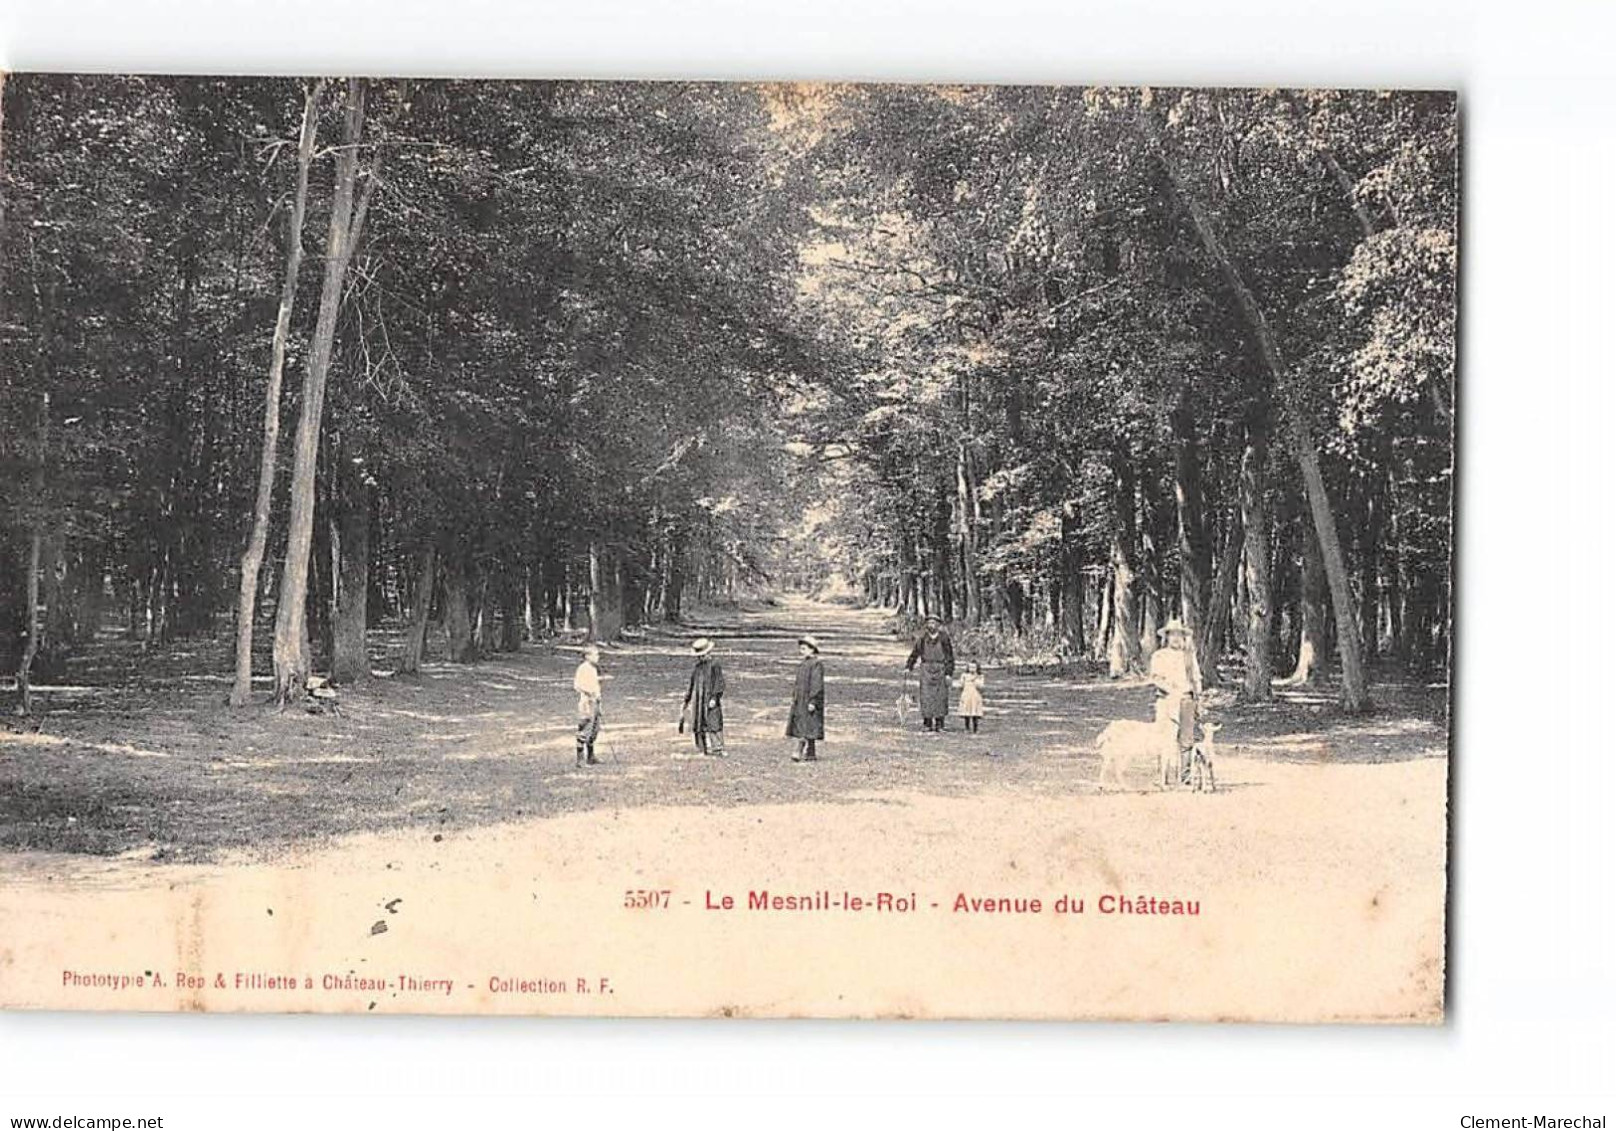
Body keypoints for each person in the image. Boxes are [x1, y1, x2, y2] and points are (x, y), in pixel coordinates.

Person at [1148, 619, 1200, 784]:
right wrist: (1170, 689)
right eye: (1173, 635)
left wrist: (1198, 700)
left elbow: (1196, 679)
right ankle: (1162, 776)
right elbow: (1155, 678)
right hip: (1166, 699)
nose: (1176, 639)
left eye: (1179, 635)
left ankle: (1185, 776)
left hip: (1186, 699)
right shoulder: (1159, 656)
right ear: (1167, 637)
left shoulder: (1189, 657)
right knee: (1163, 738)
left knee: (1186, 739)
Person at [905, 614, 955, 731]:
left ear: (938, 625)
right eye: (929, 623)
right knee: (926, 696)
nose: (931, 625)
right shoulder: (922, 639)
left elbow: (949, 657)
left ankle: (939, 724)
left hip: (941, 669)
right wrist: (909, 666)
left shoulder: (944, 638)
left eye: (934, 623)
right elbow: (915, 653)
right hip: (926, 669)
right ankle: (927, 723)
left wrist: (949, 673)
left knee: (940, 697)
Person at [681, 637, 727, 757]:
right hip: (698, 700)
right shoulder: (697, 668)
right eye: (699, 656)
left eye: (702, 655)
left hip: (710, 699)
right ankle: (702, 748)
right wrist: (687, 699)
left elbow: (719, 682)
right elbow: (692, 684)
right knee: (698, 724)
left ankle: (717, 747)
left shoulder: (715, 665)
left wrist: (714, 698)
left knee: (713, 722)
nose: (700, 658)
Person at [786, 634, 825, 762]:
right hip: (801, 699)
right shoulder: (803, 664)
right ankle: (811, 752)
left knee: (808, 725)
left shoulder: (816, 665)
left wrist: (813, 700)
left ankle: (799, 749)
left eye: (804, 649)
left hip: (809, 699)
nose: (801, 651)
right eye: (801, 649)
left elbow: (816, 683)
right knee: (804, 724)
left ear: (812, 649)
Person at [573, 644, 604, 768]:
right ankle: (580, 759)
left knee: (594, 729)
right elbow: (577, 685)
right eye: (595, 654)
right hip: (587, 703)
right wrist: (589, 693)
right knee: (584, 729)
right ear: (587, 656)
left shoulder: (593, 669)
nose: (597, 657)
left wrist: (598, 700)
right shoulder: (583, 668)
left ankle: (591, 756)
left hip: (595, 702)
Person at [956, 660, 986, 733]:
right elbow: (961, 685)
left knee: (974, 712)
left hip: (975, 696)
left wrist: (976, 680)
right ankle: (967, 728)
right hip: (966, 695)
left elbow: (981, 686)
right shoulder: (964, 675)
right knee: (967, 712)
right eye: (970, 667)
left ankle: (975, 728)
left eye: (974, 667)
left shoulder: (979, 676)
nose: (972, 669)